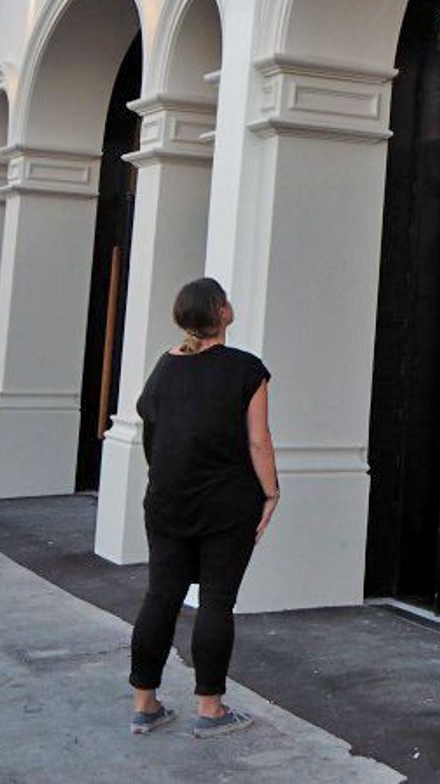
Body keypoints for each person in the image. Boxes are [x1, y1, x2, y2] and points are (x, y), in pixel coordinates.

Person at [127, 277, 279, 738]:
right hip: (228, 503)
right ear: (222, 313)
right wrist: (272, 492)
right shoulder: (246, 369)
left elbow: (151, 428)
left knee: (161, 595)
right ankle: (210, 708)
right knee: (216, 600)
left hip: (168, 499)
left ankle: (144, 703)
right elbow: (258, 440)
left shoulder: (163, 367)